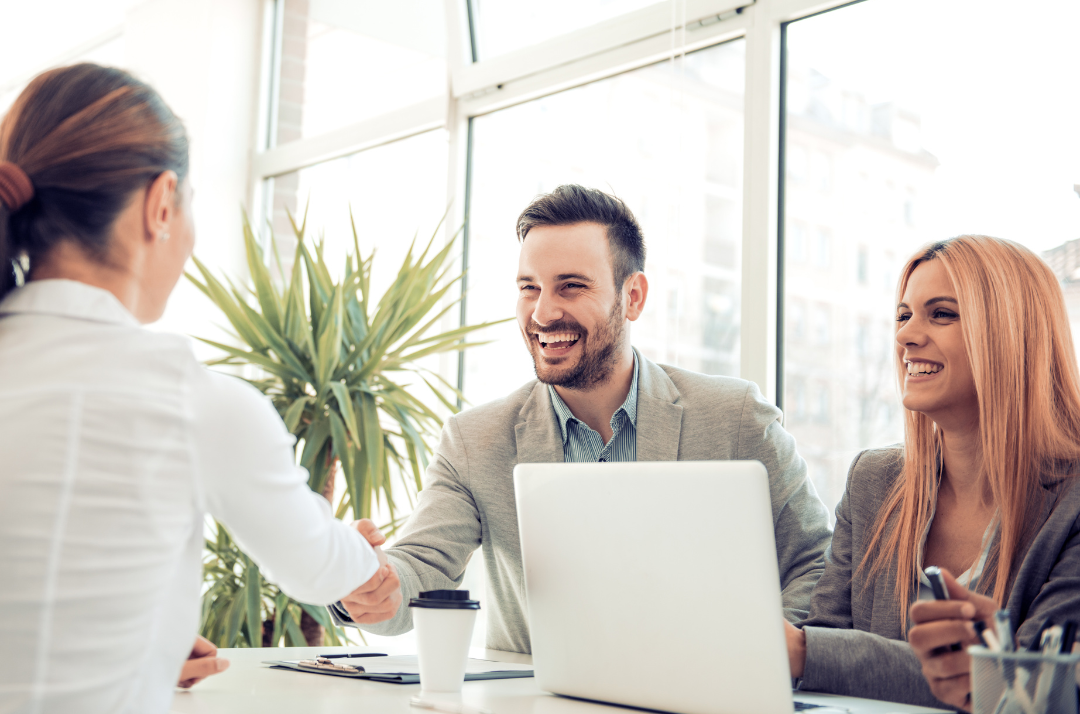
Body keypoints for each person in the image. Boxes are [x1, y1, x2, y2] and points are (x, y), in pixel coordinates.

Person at [0, 64, 392, 714]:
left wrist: (133, 637)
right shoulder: (191, 400)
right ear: (161, 204)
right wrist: (361, 558)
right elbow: (317, 565)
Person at [330, 184, 833, 653]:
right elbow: (420, 569)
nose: (542, 313)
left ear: (633, 297)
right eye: (529, 287)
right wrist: (370, 584)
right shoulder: (474, 441)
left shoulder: (736, 418)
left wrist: (759, 652)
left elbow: (815, 564)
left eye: (570, 286)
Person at [785, 235, 1080, 711]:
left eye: (941, 314)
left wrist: (806, 651)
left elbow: (1039, 686)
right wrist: (812, 653)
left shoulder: (1072, 502)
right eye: (903, 316)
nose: (905, 336)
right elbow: (823, 657)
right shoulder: (873, 480)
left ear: (1011, 333)